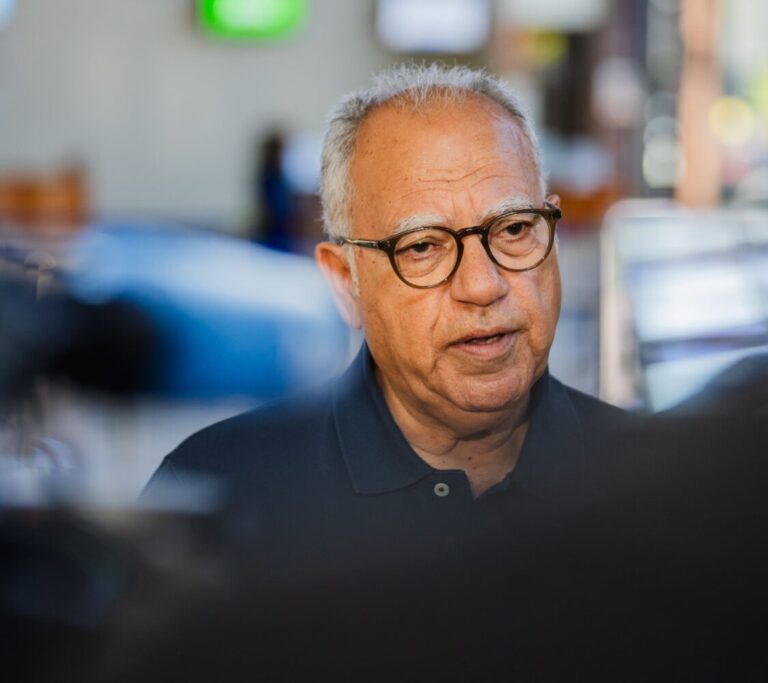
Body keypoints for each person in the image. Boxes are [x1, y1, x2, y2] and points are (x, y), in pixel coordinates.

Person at [142, 64, 626, 569]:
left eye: (513, 229)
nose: (484, 285)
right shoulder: (219, 497)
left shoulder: (664, 487)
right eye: (422, 246)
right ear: (344, 280)